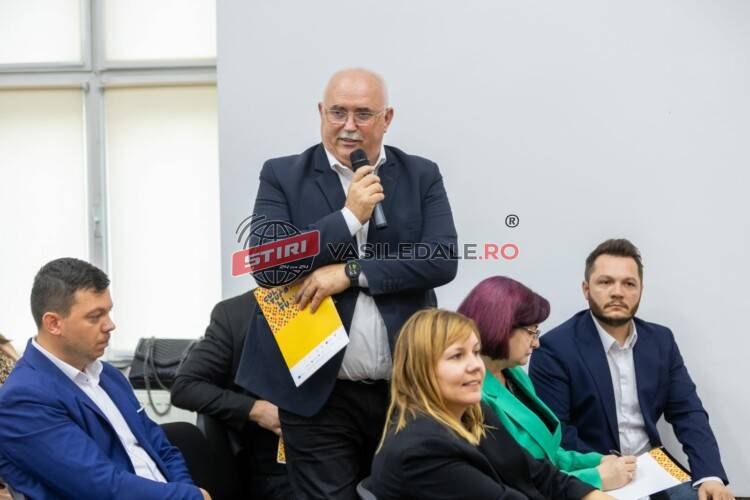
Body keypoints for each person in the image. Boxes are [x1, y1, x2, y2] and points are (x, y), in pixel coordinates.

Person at [237, 68, 458, 499]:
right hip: (319, 393)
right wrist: (348, 217)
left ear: (387, 118)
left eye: (363, 114)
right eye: (338, 112)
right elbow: (268, 264)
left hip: (405, 392)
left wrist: (350, 273)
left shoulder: (420, 174)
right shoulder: (283, 175)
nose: (349, 125)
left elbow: (440, 259)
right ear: (321, 112)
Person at [529, 239, 734, 500]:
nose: (618, 292)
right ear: (586, 289)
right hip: (596, 472)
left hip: (656, 467)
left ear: (641, 290)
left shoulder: (661, 341)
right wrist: (608, 469)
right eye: (606, 282)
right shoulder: (555, 348)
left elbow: (688, 412)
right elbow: (557, 433)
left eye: (628, 284)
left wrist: (710, 476)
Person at [0, 258, 210, 500]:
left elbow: (162, 448)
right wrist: (189, 497)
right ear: (54, 323)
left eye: (108, 312)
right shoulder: (23, 399)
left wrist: (189, 491)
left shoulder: (108, 375)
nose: (110, 325)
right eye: (95, 316)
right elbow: (99, 486)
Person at [370, 308, 613, 500]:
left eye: (476, 352)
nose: (476, 366)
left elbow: (535, 474)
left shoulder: (473, 414)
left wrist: (591, 495)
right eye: (457, 356)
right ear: (421, 369)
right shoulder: (422, 450)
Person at [457, 276, 636, 491]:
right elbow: (518, 481)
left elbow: (549, 453)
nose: (536, 342)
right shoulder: (472, 397)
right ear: (501, 327)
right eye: (531, 331)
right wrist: (595, 477)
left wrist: (597, 460)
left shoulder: (514, 374)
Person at [171, 290, 292, 499]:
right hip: (275, 467)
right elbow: (185, 386)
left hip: (335, 450)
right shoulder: (237, 313)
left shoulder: (339, 302)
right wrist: (257, 410)